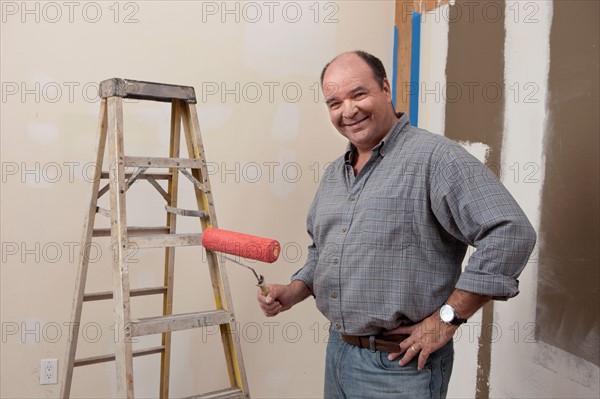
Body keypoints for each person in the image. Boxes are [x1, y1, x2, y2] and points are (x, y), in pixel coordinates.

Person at [256, 50, 536, 398]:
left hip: (399, 367)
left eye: (358, 94)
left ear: (385, 88)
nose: (348, 111)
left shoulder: (435, 158)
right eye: (334, 102)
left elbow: (510, 232)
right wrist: (293, 291)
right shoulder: (333, 175)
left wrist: (448, 318)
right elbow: (323, 252)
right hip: (339, 353)